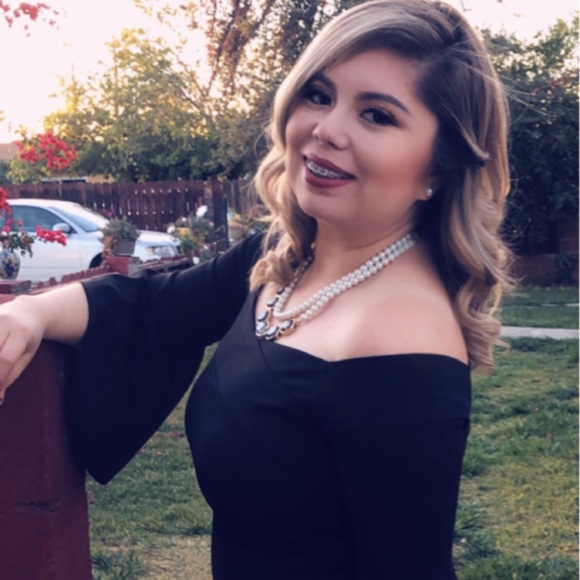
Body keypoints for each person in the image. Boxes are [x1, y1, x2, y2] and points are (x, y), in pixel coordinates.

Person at [0, 0, 512, 577]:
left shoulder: (402, 338)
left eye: (376, 115)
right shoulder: (282, 257)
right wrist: (31, 314)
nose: (326, 129)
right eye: (319, 94)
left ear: (438, 168)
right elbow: (157, 306)